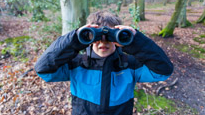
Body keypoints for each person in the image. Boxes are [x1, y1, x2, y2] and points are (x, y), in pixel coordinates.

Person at [35, 11, 173, 115]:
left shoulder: (130, 65)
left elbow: (163, 71)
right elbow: (43, 70)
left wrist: (136, 41)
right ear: (88, 37)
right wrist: (74, 39)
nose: (103, 42)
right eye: (95, 36)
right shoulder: (77, 64)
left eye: (110, 37)